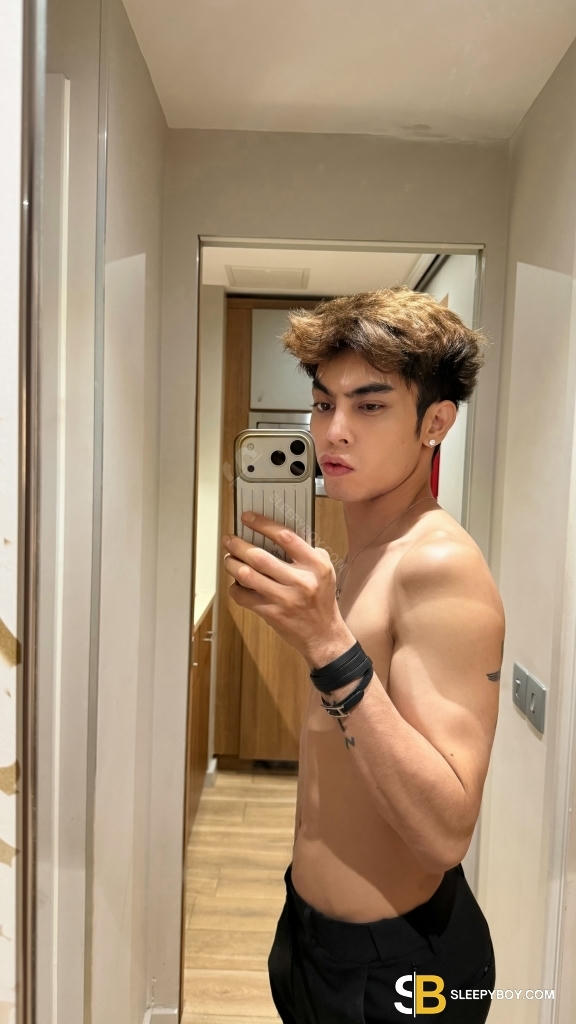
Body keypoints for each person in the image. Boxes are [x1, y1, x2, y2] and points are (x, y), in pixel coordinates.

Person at [221, 288, 505, 1023]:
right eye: (323, 404)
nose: (333, 432)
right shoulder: (355, 556)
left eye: (370, 405)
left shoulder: (438, 565)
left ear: (436, 423)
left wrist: (328, 643)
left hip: (398, 970)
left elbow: (445, 832)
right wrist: (315, 632)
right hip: (310, 934)